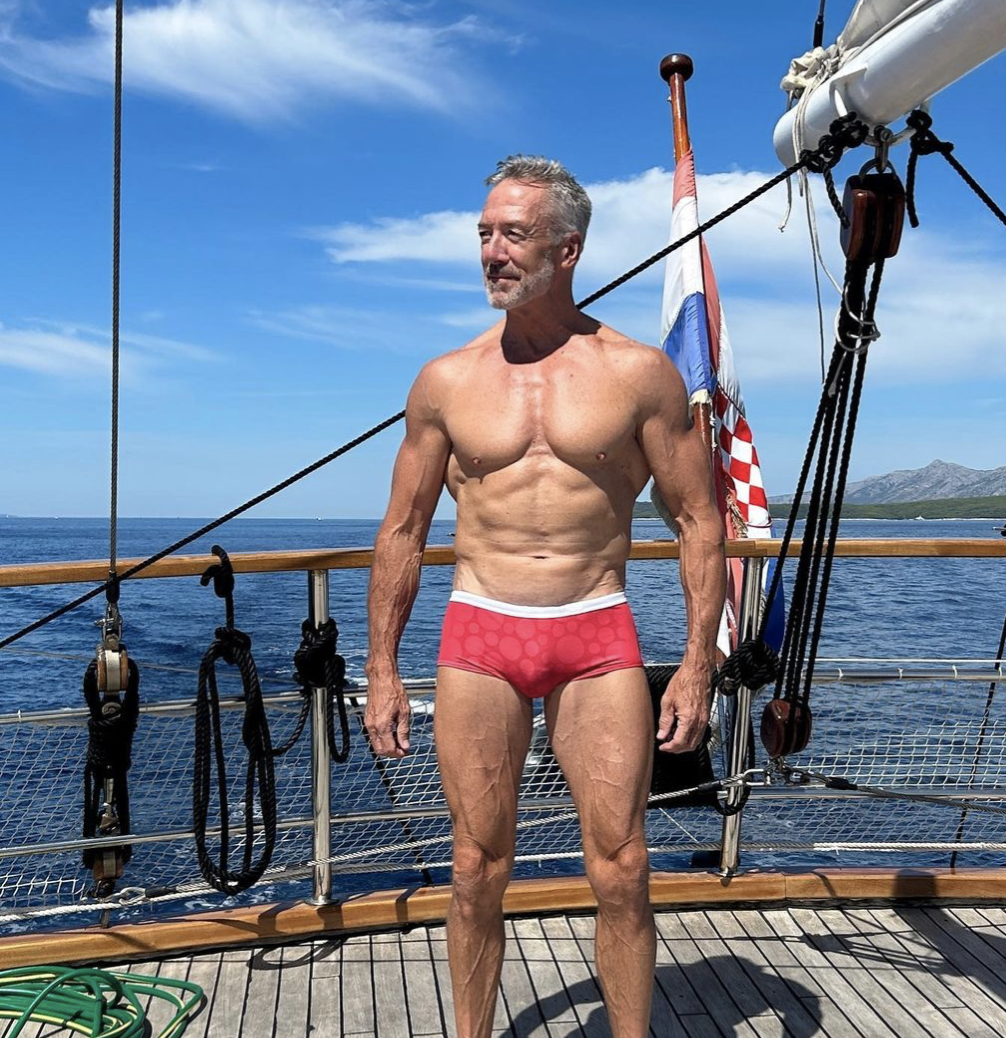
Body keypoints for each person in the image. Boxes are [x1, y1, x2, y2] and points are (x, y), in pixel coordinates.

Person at [364, 155, 724, 1038]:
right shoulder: (446, 381)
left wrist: (696, 665)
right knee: (474, 867)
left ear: (568, 249)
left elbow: (698, 519)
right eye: (484, 233)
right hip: (480, 631)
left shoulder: (639, 374)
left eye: (513, 234)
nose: (492, 251)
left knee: (623, 868)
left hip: (593, 629)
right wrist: (381, 669)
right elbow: (403, 530)